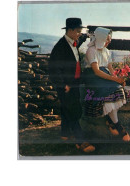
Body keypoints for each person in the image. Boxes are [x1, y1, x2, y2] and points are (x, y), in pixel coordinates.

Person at [48, 18, 95, 152]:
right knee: (72, 111)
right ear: (70, 30)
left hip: (73, 83)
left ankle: (64, 134)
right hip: (66, 85)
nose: (80, 33)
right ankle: (80, 141)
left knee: (66, 108)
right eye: (79, 31)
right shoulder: (60, 47)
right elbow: (53, 69)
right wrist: (63, 85)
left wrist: (86, 36)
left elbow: (80, 39)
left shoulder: (74, 42)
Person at [82, 27, 130, 142]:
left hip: (104, 76)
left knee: (118, 89)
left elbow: (110, 68)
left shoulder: (107, 51)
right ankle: (117, 125)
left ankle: (111, 120)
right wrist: (114, 80)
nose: (109, 42)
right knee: (111, 91)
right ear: (100, 39)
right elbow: (96, 71)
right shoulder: (91, 50)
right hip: (94, 78)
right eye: (107, 39)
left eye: (109, 39)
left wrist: (117, 78)